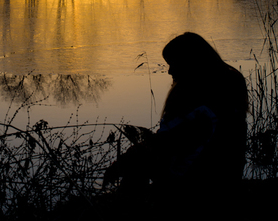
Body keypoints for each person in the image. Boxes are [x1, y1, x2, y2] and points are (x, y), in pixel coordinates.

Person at [103, 32, 249, 195]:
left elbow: (168, 144)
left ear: (189, 63)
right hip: (227, 177)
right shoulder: (230, 80)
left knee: (139, 162)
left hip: (199, 182)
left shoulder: (195, 98)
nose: (169, 71)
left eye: (173, 64)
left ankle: (129, 211)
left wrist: (121, 164)